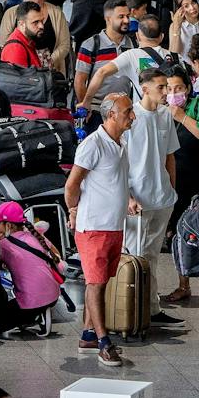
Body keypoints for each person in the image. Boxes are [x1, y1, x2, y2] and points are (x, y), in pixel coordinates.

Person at [66, 94, 135, 367]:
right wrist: (73, 211)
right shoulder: (92, 145)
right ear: (110, 115)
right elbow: (72, 185)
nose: (132, 116)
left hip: (113, 225)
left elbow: (117, 180)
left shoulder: (120, 143)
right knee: (95, 284)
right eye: (127, 112)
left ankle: (88, 334)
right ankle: (104, 342)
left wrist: (127, 200)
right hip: (94, 226)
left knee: (101, 281)